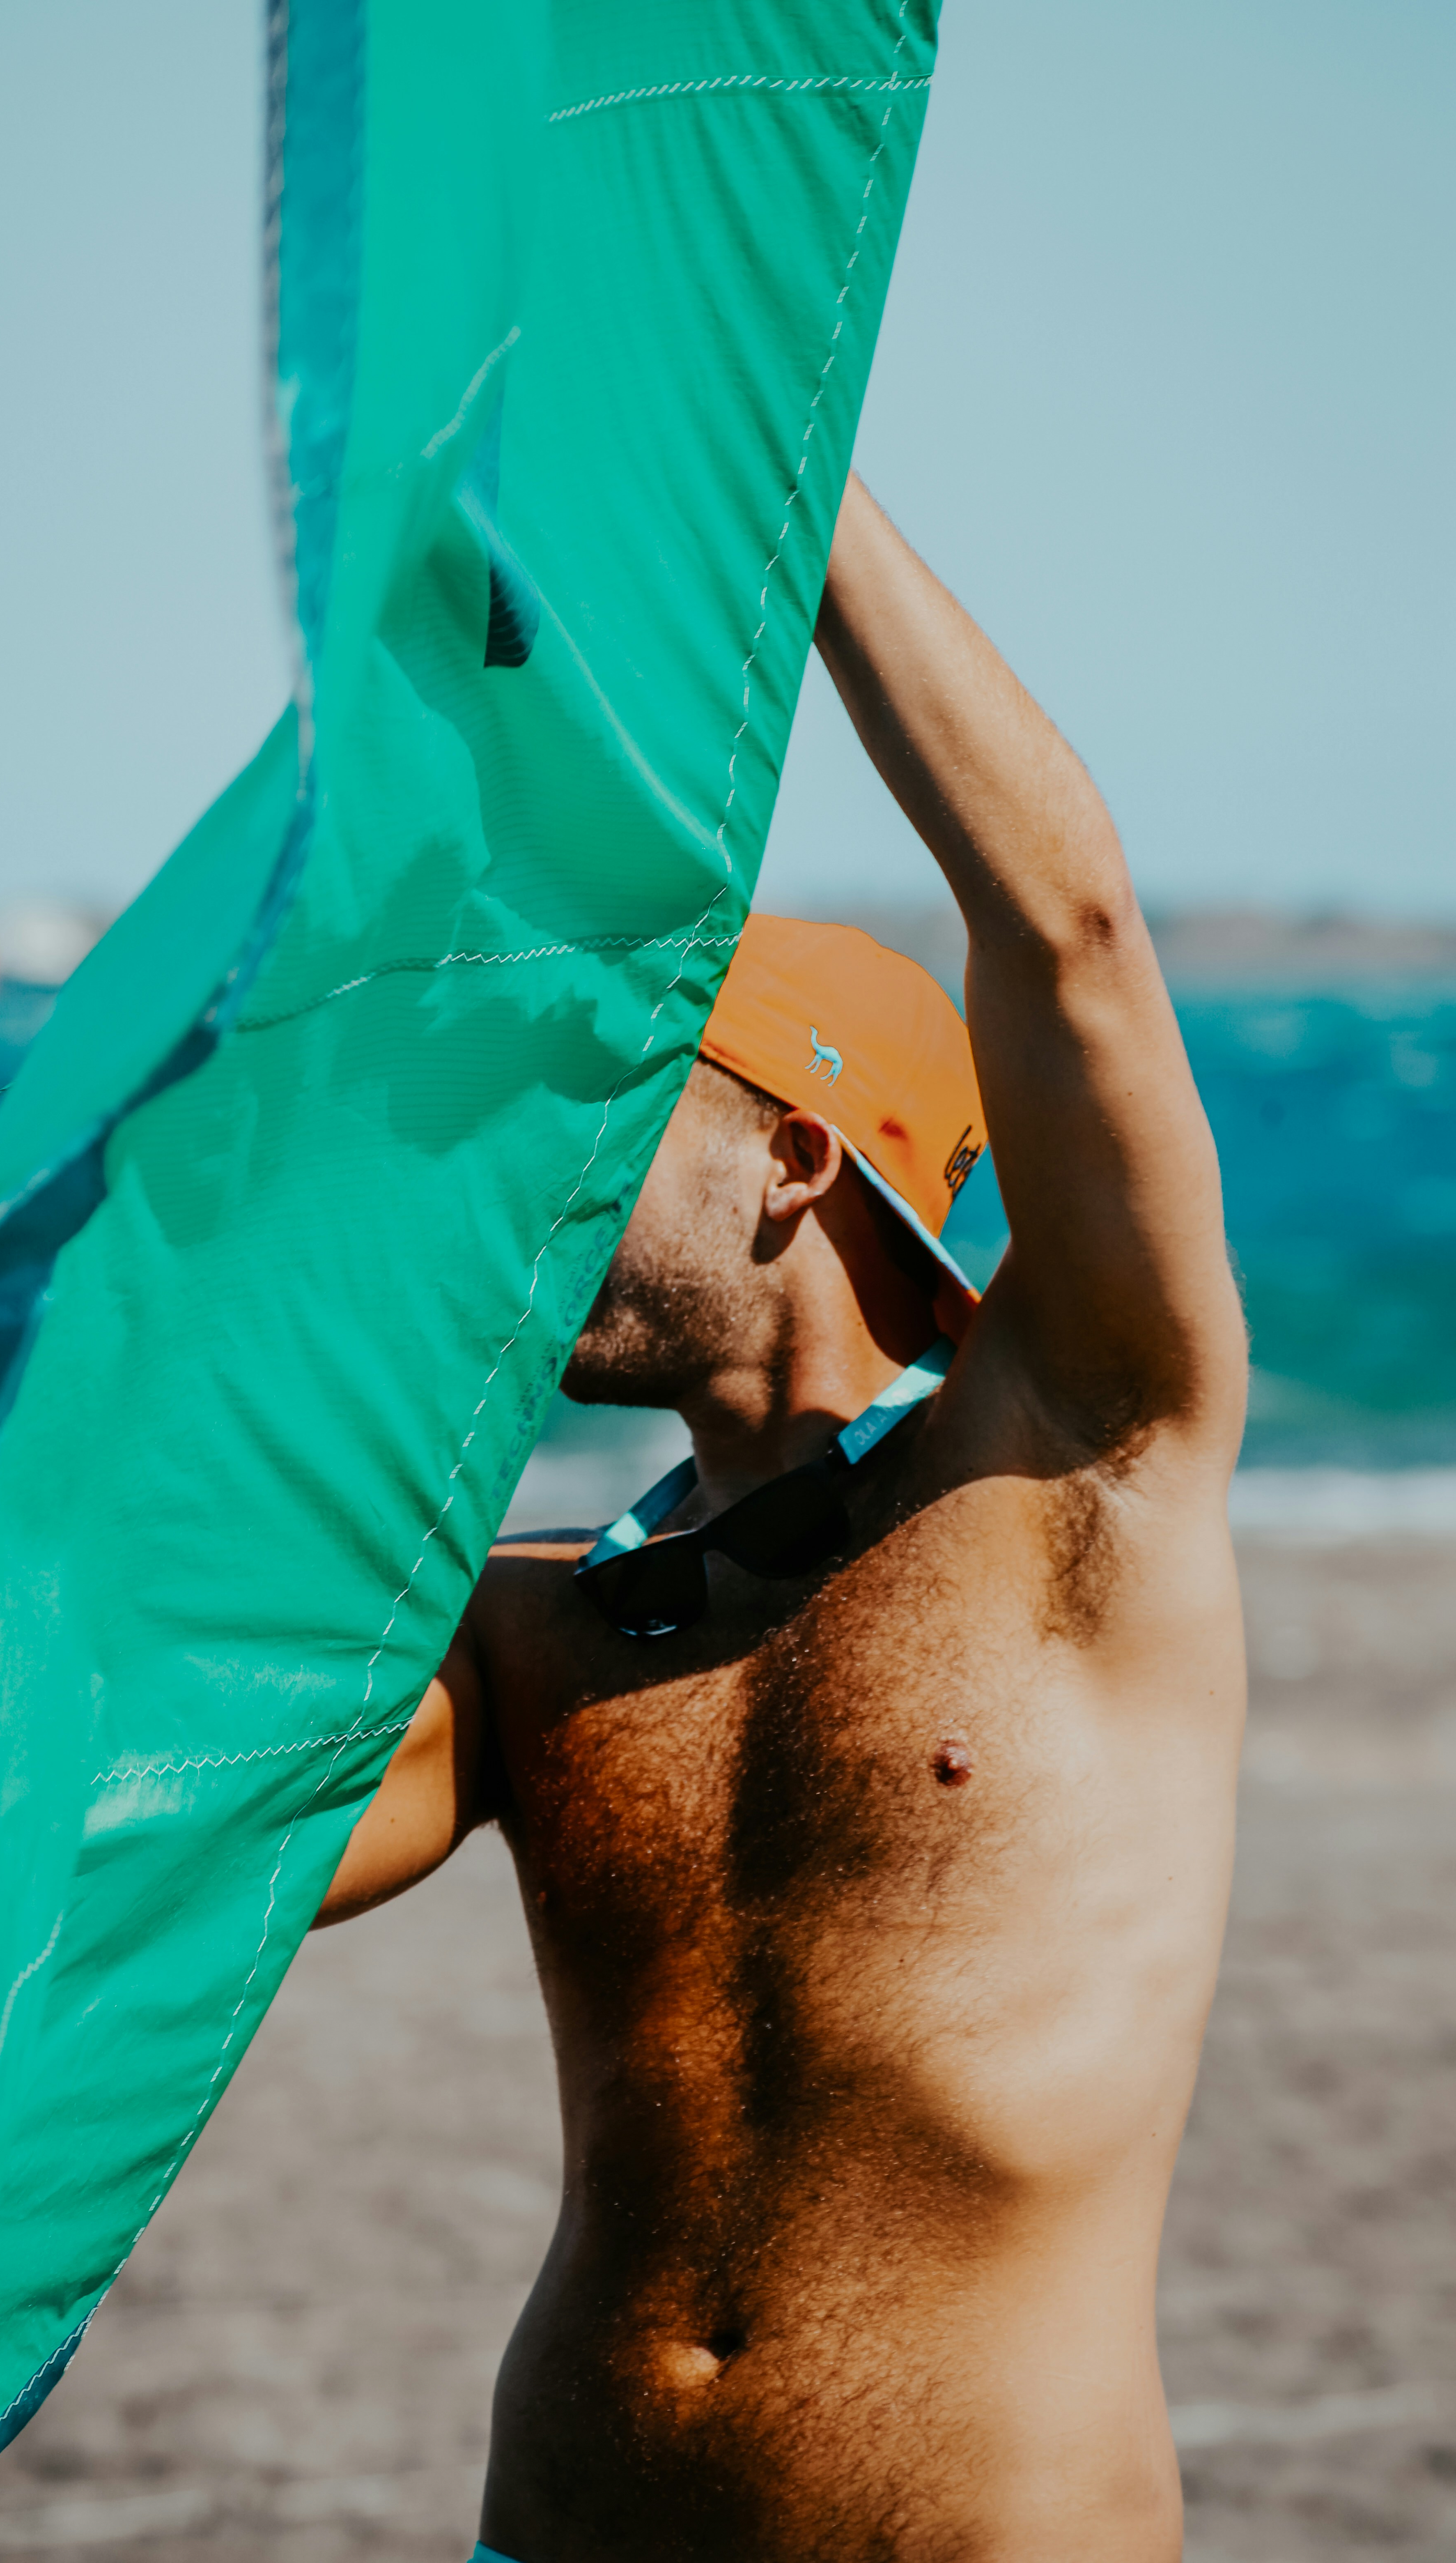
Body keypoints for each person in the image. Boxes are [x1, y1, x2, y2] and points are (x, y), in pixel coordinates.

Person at [316, 472, 1249, 2563]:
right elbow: (213, 1868)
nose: (526, 1181)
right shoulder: (534, 1625)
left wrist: (778, 471)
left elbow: (1067, 930)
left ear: (796, 1160)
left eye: (597, 1119)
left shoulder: (1082, 1471)